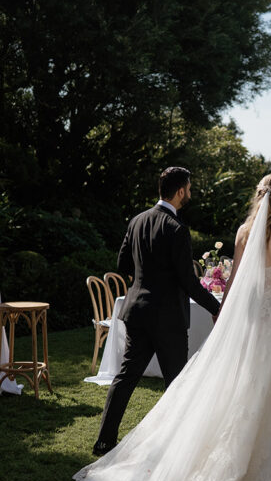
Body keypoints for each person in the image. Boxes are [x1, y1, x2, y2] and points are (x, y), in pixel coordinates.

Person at [13, 174, 271, 481]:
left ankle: (110, 440)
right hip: (225, 318)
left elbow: (130, 265)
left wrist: (209, 304)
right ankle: (230, 457)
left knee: (135, 377)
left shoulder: (213, 228)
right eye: (189, 188)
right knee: (227, 386)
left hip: (154, 309)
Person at [92, 167, 222, 458]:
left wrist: (147, 276)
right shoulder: (177, 228)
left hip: (138, 312)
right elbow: (189, 282)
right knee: (176, 383)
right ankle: (175, 448)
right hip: (168, 319)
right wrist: (217, 309)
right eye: (189, 189)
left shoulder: (137, 220)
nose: (190, 193)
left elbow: (123, 265)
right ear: (180, 191)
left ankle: (104, 441)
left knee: (126, 377)